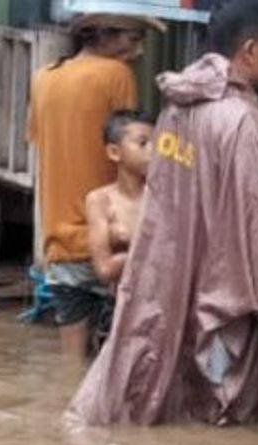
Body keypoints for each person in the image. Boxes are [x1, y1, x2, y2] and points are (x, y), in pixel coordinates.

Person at [68, 0, 258, 427]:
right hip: (223, 306)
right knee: (222, 418)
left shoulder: (175, 108)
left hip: (167, 291)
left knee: (160, 406)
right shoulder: (243, 122)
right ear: (250, 50)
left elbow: (161, 201)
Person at [27, 13, 163, 360]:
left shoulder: (43, 77)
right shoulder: (116, 75)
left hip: (60, 245)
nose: (139, 50)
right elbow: (132, 146)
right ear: (105, 36)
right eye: (133, 39)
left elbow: (40, 145)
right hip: (111, 238)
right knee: (121, 364)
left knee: (71, 366)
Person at [82, 110, 154, 355]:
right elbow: (103, 269)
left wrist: (129, 244)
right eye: (143, 143)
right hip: (119, 308)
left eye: (157, 142)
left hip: (160, 308)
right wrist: (146, 249)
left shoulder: (163, 198)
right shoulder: (100, 200)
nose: (153, 149)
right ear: (115, 153)